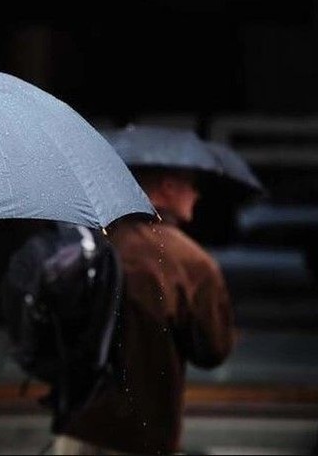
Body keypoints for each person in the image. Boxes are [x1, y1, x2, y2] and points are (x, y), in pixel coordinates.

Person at [54, 168, 235, 455]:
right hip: (143, 433)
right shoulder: (191, 262)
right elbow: (213, 350)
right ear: (168, 187)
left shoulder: (92, 245)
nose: (197, 194)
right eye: (191, 185)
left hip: (78, 425)